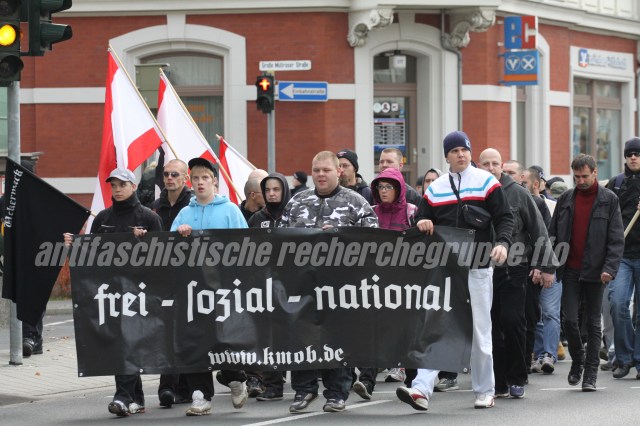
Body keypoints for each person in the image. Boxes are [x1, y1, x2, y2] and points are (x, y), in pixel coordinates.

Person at [397, 131, 513, 411]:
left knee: (479, 331)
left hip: (478, 268)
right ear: (446, 156)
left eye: (465, 149)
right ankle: (421, 389)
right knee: (437, 328)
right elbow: (421, 218)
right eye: (455, 151)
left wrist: (503, 244)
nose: (461, 154)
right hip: (446, 271)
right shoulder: (435, 188)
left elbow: (505, 218)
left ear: (470, 153)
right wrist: (423, 222)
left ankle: (485, 390)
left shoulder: (486, 182)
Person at [280, 151, 378, 414]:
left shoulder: (356, 202)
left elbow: (373, 241)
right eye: (316, 170)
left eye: (326, 170)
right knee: (301, 338)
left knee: (337, 340)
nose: (321, 175)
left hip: (341, 287)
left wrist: (340, 235)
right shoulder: (297, 202)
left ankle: (336, 393)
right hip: (303, 285)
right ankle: (304, 390)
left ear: (339, 172)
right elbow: (280, 241)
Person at [65, 168, 163, 417]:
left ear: (132, 186)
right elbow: (92, 256)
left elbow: (164, 257)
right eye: (114, 185)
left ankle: (122, 396)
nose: (117, 189)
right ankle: (136, 399)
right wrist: (73, 246)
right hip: (110, 294)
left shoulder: (149, 218)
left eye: (122, 184)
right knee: (121, 342)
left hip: (140, 294)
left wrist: (146, 240)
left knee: (128, 342)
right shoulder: (103, 218)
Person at [171, 158, 249, 415]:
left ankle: (235, 378)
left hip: (223, 290)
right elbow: (169, 251)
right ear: (189, 183)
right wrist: (179, 235)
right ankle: (201, 395)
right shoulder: (184, 213)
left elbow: (246, 248)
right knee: (195, 342)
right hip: (193, 292)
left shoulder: (231, 211)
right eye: (195, 178)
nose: (200, 182)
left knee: (222, 341)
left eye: (205, 178)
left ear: (214, 181)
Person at [478, 149, 557, 399]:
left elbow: (539, 231)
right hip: (481, 269)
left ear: (501, 166)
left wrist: (546, 267)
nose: (490, 168)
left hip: (514, 267)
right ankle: (498, 381)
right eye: (486, 164)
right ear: (479, 166)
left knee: (512, 321)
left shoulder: (518, 194)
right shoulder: (474, 194)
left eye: (495, 164)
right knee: (490, 326)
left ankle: (517, 377)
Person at [549, 154, 624, 391]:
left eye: (585, 176)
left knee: (593, 323)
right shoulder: (566, 199)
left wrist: (609, 268)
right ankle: (578, 360)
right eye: (577, 176)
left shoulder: (609, 199)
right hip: (569, 268)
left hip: (596, 271)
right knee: (569, 319)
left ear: (595, 173)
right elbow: (553, 235)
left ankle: (589, 374)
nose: (580, 180)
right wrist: (546, 266)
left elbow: (615, 238)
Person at [350, 167, 417, 400]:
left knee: (407, 334)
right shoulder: (370, 213)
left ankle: (413, 383)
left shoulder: (412, 212)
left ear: (399, 188)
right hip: (376, 284)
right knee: (373, 334)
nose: (384, 190)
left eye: (389, 186)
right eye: (381, 186)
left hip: (405, 284)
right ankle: (367, 382)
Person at [149, 159, 192, 408]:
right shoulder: (155, 207)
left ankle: (185, 387)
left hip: (190, 278)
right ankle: (167, 387)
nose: (169, 178)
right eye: (166, 174)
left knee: (187, 333)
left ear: (185, 178)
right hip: (164, 278)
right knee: (168, 333)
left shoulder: (192, 205)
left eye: (175, 174)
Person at [247, 173, 292, 401]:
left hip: (292, 286)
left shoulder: (294, 215)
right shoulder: (256, 219)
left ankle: (304, 387)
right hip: (264, 287)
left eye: (276, 189)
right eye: (268, 190)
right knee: (268, 339)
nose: (272, 193)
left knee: (294, 337)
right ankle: (273, 386)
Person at [605, 137, 640, 380]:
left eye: (637, 153)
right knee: (618, 304)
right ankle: (625, 358)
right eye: (629, 154)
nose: (633, 157)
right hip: (622, 256)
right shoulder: (615, 184)